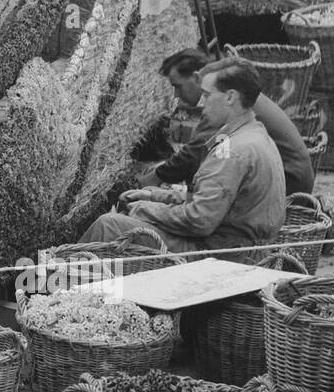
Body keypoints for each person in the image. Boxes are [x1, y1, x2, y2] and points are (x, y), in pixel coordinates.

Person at [81, 60, 286, 255]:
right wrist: (155, 196)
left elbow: (200, 220)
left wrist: (145, 209)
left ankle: (56, 283)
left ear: (230, 97)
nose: (201, 102)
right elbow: (216, 200)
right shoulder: (253, 134)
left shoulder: (233, 151)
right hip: (237, 246)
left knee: (109, 225)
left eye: (207, 94)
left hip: (220, 255)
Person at [154, 49, 316, 196]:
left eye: (178, 86)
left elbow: (195, 154)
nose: (176, 94)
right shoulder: (228, 87)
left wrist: (153, 178)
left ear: (196, 77)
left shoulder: (222, 99)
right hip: (291, 175)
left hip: (289, 183)